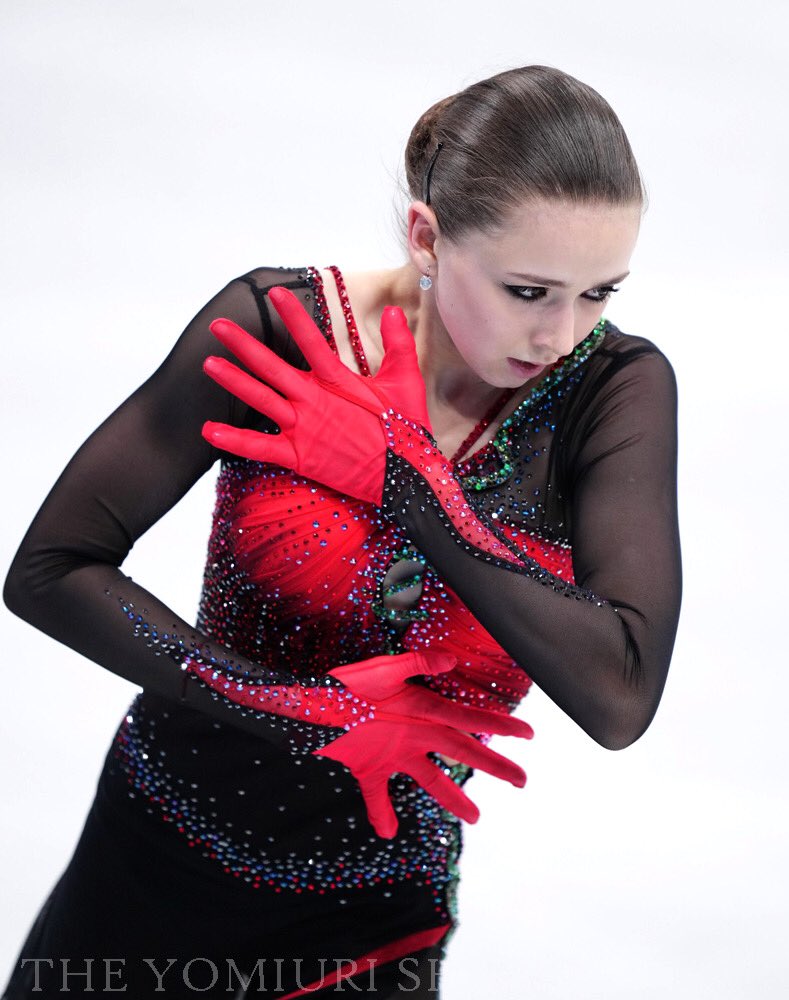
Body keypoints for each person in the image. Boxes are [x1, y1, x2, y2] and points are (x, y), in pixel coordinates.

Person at [2, 64, 681, 999]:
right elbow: (50, 570)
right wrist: (307, 712)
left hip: (373, 918)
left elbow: (619, 696)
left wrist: (409, 481)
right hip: (154, 865)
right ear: (427, 237)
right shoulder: (280, 328)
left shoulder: (608, 392)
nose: (562, 335)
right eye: (528, 291)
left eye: (599, 292)